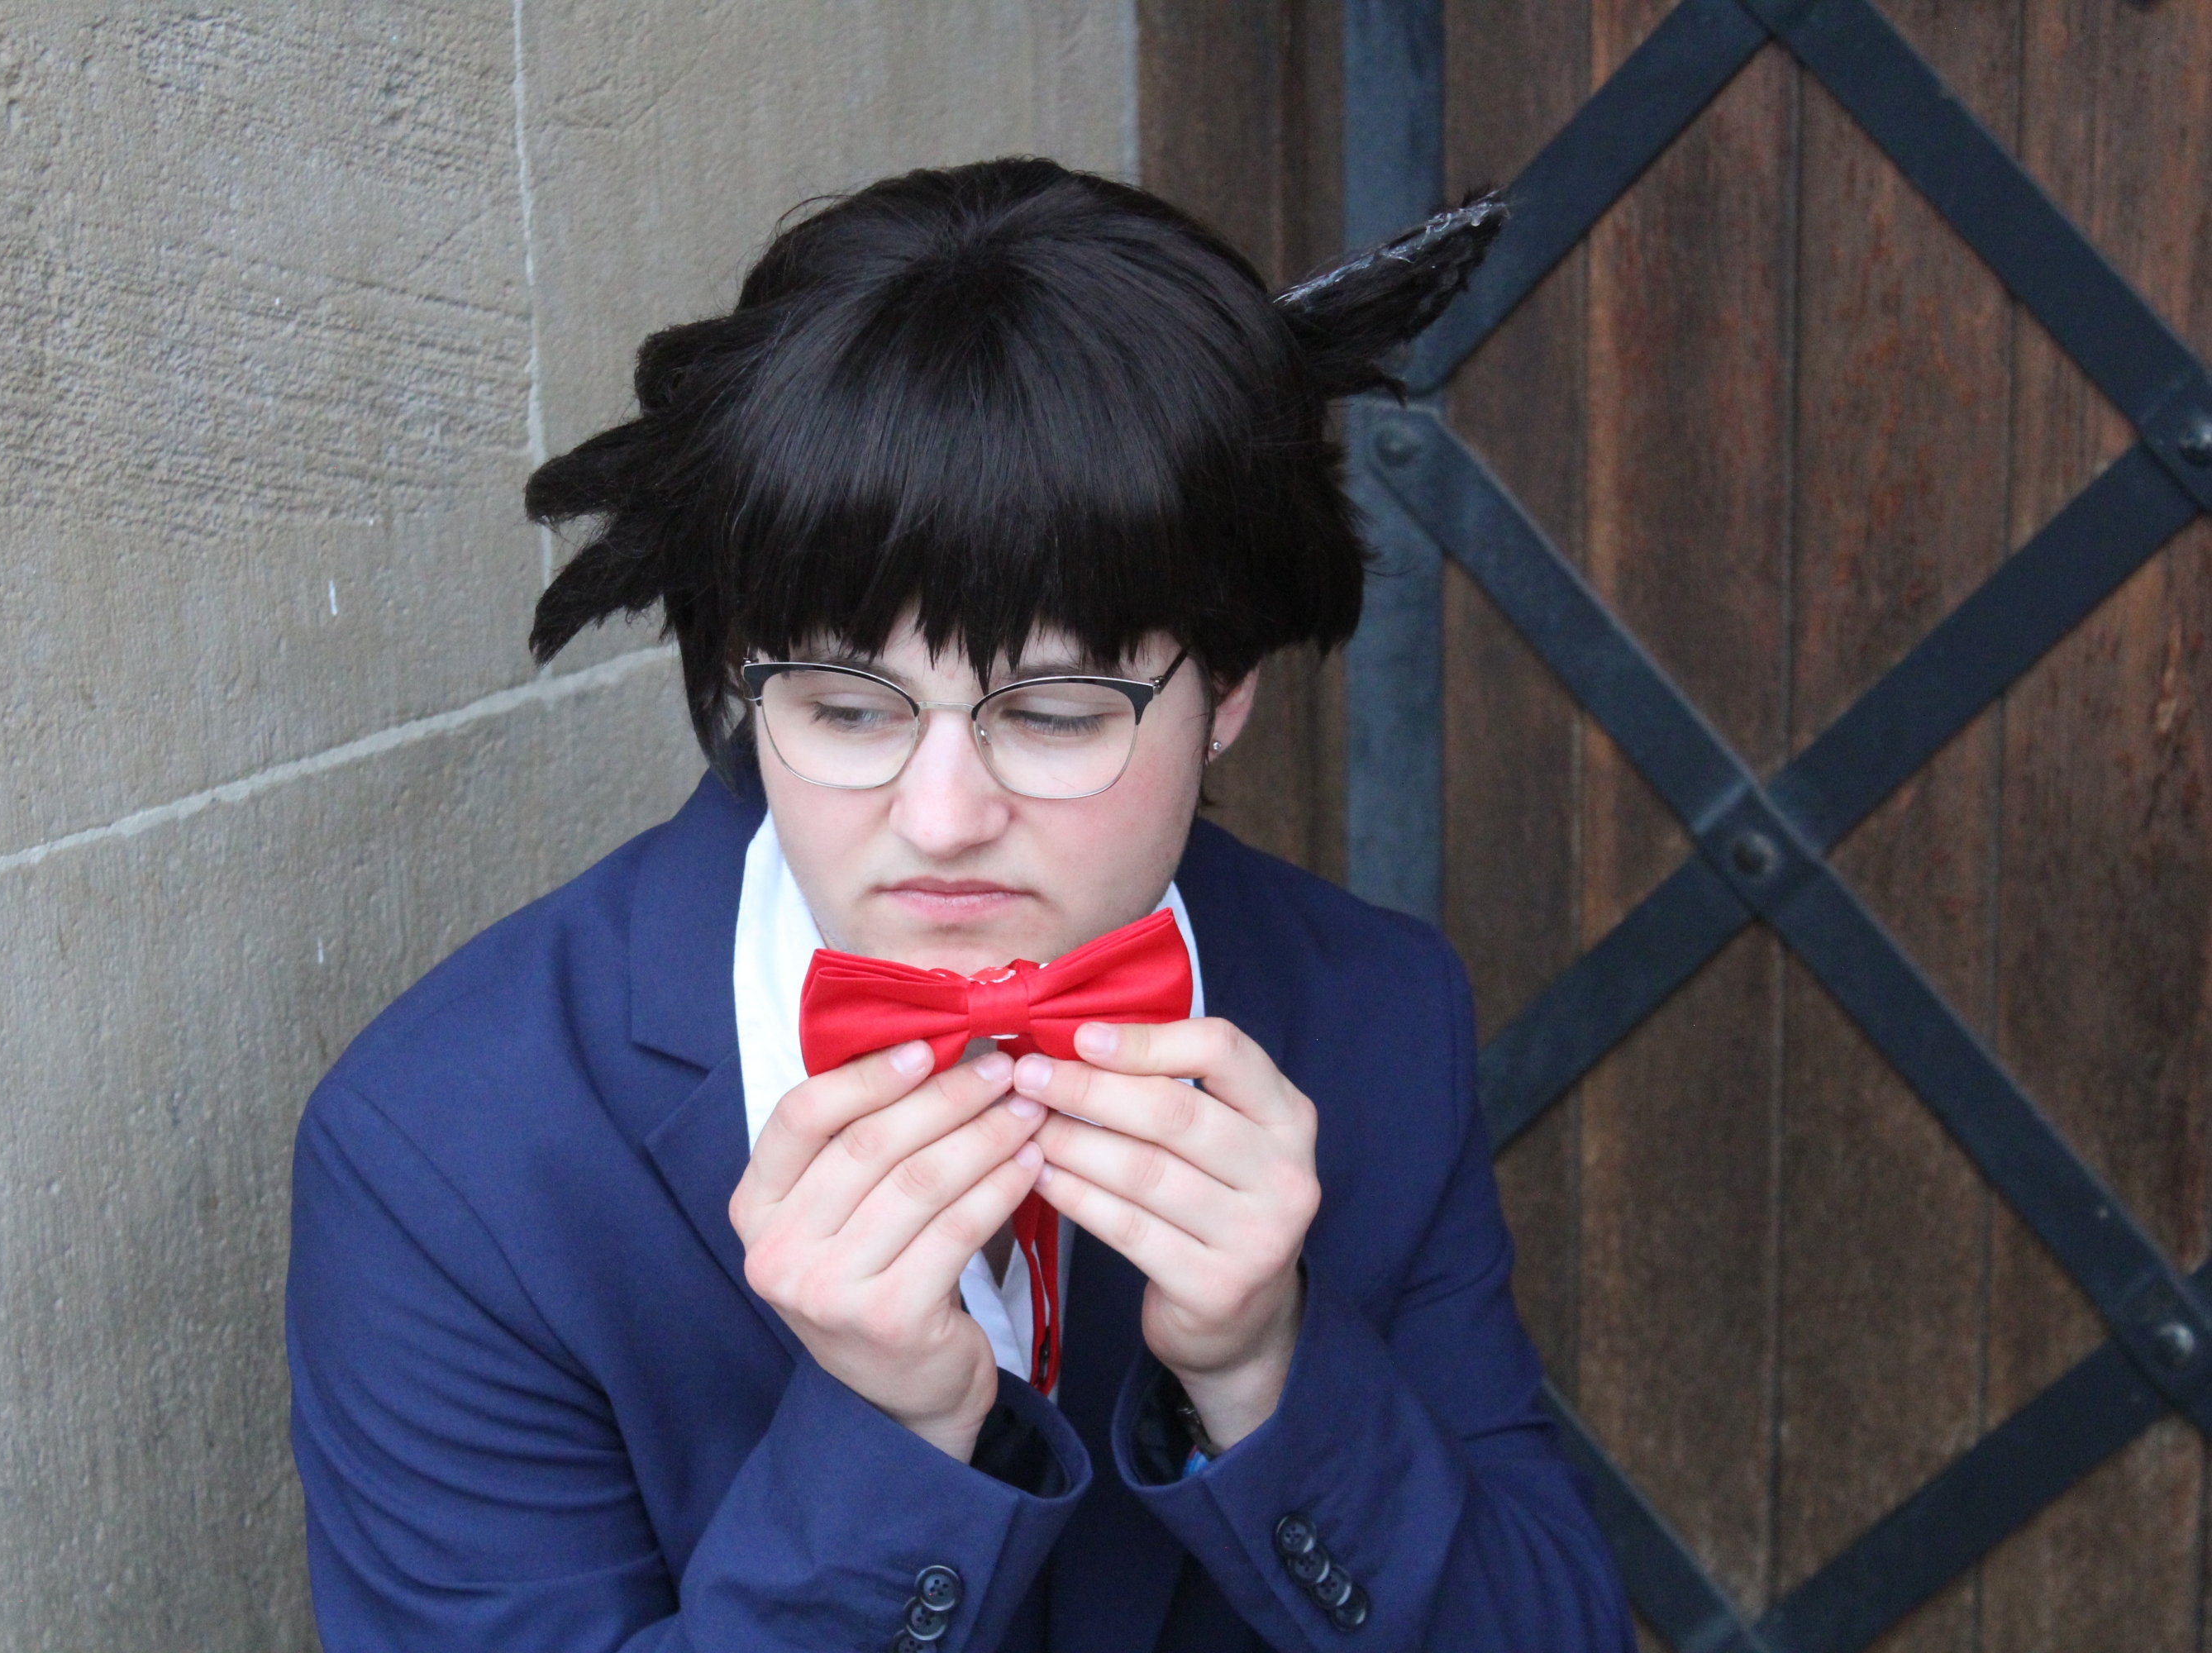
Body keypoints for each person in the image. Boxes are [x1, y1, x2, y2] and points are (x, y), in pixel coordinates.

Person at [286, 157, 1632, 1652]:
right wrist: (889, 1443)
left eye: (1053, 713)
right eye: (847, 707)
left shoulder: (1375, 1012)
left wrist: (1270, 1371)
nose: (940, 820)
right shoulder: (445, 1151)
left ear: (1231, 686)